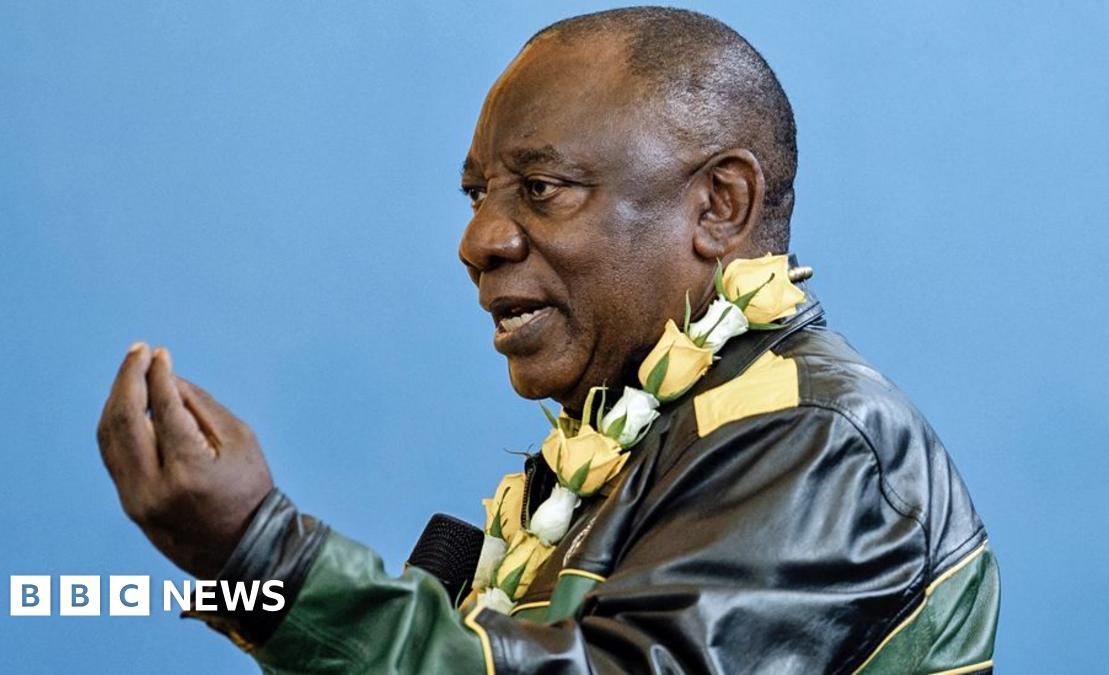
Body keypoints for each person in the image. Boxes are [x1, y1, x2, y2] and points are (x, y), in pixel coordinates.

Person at [96, 7, 999, 674]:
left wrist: (266, 555)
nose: (478, 240)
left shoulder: (814, 440)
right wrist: (232, 576)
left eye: (541, 188)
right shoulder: (640, 438)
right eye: (477, 193)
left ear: (720, 205)